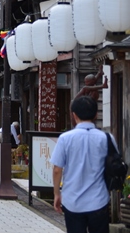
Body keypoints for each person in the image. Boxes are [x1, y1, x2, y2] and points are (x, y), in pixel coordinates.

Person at [51, 95, 112, 233]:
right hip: (99, 200)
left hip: (73, 200)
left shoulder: (65, 138)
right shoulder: (106, 138)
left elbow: (57, 169)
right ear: (96, 114)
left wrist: (57, 194)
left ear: (74, 115)